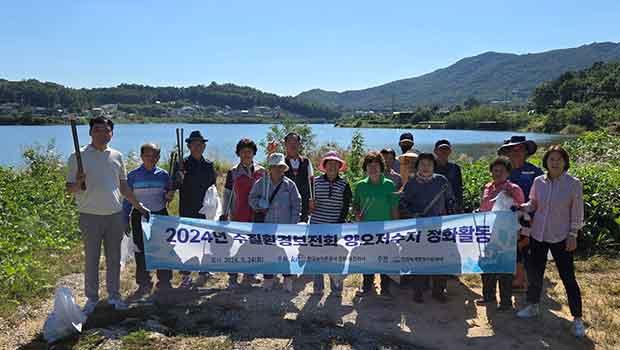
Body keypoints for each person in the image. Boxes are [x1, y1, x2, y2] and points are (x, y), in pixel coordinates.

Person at [66, 117, 150, 315]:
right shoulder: (77, 156)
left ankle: (114, 296)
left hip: (115, 215)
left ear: (111, 133)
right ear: (90, 133)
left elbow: (123, 186)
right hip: (90, 215)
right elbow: (70, 189)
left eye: (106, 130)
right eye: (97, 130)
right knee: (92, 259)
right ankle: (92, 299)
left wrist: (138, 205)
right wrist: (78, 183)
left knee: (114, 258)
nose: (102, 134)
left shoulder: (117, 156)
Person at [517, 145, 585, 338]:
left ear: (565, 162)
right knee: (535, 273)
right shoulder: (539, 181)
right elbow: (533, 203)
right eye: (551, 159)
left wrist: (573, 234)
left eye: (558, 159)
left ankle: (577, 319)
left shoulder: (573, 184)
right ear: (546, 162)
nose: (554, 163)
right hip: (538, 234)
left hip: (562, 237)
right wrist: (522, 207)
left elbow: (577, 212)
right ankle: (533, 306)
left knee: (568, 277)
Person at [399, 153, 455, 303]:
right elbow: (403, 204)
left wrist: (452, 219)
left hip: (439, 227)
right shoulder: (411, 183)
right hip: (419, 228)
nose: (425, 167)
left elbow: (450, 201)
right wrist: (412, 214)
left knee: (439, 260)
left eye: (429, 164)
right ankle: (418, 291)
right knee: (419, 259)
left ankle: (438, 291)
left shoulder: (442, 181)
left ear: (433, 166)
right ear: (417, 166)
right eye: (422, 164)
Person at [122, 143, 174, 296]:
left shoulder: (164, 175)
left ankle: (164, 280)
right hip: (139, 215)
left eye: (155, 156)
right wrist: (124, 219)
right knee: (141, 249)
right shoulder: (132, 176)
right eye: (147, 155)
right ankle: (144, 282)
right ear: (141, 156)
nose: (151, 159)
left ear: (158, 157)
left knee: (163, 249)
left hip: (160, 214)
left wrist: (169, 196)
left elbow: (166, 197)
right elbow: (127, 200)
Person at [475, 156, 525, 311]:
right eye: (495, 170)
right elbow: (484, 207)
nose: (497, 173)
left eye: (501, 171)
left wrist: (512, 201)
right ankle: (488, 296)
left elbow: (521, 211)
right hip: (488, 232)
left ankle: (505, 301)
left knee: (504, 269)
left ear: (508, 173)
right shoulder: (487, 187)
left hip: (506, 235)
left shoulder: (514, 189)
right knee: (487, 265)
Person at [249, 152, 302, 292]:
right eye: (274, 166)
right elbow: (252, 199)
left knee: (287, 253)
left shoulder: (289, 185)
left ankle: (288, 279)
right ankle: (268, 279)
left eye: (280, 167)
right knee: (268, 252)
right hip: (267, 226)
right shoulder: (261, 183)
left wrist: (293, 225)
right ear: (270, 168)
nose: (277, 169)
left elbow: (297, 204)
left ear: (283, 168)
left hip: (286, 226)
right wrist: (260, 204)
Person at [172, 130, 217, 288]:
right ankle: (185, 275)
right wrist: (178, 178)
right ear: (189, 146)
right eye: (194, 144)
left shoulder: (209, 165)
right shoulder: (181, 164)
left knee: (205, 242)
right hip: (187, 209)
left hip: (205, 210)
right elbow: (173, 187)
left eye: (200, 144)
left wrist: (213, 208)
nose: (197, 147)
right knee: (187, 244)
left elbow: (213, 189)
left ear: (204, 146)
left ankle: (204, 270)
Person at [498, 136, 544, 290]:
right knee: (510, 247)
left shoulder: (535, 171)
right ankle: (515, 277)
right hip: (506, 217)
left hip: (529, 218)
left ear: (526, 152)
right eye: (513, 149)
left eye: (520, 149)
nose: (516, 152)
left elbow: (542, 196)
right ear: (508, 152)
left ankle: (521, 280)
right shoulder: (502, 171)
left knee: (524, 247)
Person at [353, 151, 399, 297]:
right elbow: (356, 205)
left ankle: (385, 288)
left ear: (381, 167)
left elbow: (394, 208)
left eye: (376, 165)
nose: (373, 168)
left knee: (385, 258)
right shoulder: (360, 186)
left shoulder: (389, 185)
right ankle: (367, 286)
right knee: (367, 258)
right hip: (366, 229)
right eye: (369, 165)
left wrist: (395, 228)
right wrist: (357, 214)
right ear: (365, 168)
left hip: (385, 229)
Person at [221, 138, 266, 288]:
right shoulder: (233, 172)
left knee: (253, 245)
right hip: (238, 214)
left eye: (249, 151)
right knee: (235, 246)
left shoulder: (261, 171)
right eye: (243, 151)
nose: (246, 154)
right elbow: (227, 194)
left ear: (254, 153)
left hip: (256, 215)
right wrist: (224, 212)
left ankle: (250, 274)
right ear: (238, 153)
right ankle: (233, 277)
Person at [310, 151, 352, 294]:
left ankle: (336, 288)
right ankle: (318, 288)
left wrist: (338, 224)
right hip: (316, 226)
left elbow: (346, 207)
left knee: (335, 259)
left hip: (335, 227)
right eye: (330, 164)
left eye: (335, 164)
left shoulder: (344, 184)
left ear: (339, 166)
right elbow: (307, 203)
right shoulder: (314, 182)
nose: (332, 166)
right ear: (325, 166)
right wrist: (309, 206)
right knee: (316, 258)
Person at [283, 132, 314, 223]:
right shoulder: (281, 163)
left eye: (295, 142)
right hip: (286, 205)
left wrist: (311, 201)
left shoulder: (306, 161)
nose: (293, 145)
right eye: (290, 142)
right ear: (285, 144)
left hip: (303, 205)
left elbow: (311, 182)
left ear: (299, 144)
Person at [434, 139, 464, 213]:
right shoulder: (430, 167)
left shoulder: (455, 168)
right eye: (441, 149)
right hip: (434, 206)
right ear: (435, 151)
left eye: (446, 149)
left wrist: (459, 205)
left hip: (451, 206)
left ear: (450, 151)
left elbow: (458, 188)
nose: (444, 151)